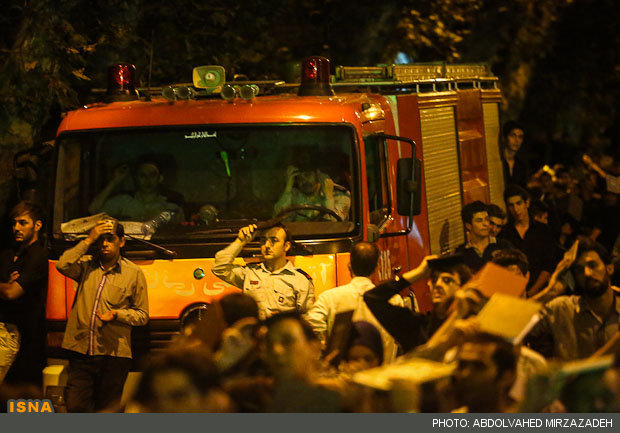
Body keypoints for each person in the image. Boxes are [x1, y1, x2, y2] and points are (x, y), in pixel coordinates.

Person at [56, 219, 149, 412]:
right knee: (75, 406)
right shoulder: (86, 267)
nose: (104, 244)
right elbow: (62, 265)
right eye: (101, 239)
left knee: (108, 411)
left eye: (110, 239)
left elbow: (142, 315)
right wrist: (88, 239)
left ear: (121, 242)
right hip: (81, 352)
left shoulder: (134, 273)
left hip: (113, 355)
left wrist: (117, 315)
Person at [305, 241, 401, 363]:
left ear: (349, 266)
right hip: (382, 376)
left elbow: (310, 329)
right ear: (377, 267)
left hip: (342, 377)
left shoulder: (328, 298)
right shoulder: (393, 299)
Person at [527, 237, 620, 361]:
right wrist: (550, 291)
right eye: (579, 270)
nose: (587, 273)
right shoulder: (561, 309)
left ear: (609, 268)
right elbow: (507, 326)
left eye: (592, 265)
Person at [363, 256, 472, 354]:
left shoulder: (470, 327)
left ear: (462, 288)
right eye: (434, 280)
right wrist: (419, 273)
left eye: (447, 280)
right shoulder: (417, 327)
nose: (438, 284)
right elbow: (372, 298)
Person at [212, 223, 314, 319]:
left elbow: (308, 317)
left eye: (274, 240)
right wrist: (240, 241)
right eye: (263, 240)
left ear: (286, 246)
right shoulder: (250, 273)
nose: (267, 245)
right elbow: (219, 268)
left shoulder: (300, 280)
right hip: (254, 334)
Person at [0, 201, 48, 385]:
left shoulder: (37, 256)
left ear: (37, 225)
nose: (16, 228)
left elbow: (12, 292)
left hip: (23, 337)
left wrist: (7, 287)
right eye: (14, 223)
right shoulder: (7, 254)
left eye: (23, 223)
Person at [499, 184, 558, 296]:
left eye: (518, 203)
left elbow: (548, 264)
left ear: (527, 203)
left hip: (540, 290)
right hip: (514, 292)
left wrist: (533, 291)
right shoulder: (504, 233)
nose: (515, 209)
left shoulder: (543, 230)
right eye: (511, 205)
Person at [88, 159, 184, 223]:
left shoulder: (170, 206)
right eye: (142, 175)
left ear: (160, 178)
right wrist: (115, 181)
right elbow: (93, 210)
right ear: (136, 178)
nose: (147, 180)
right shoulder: (123, 202)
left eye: (152, 175)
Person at [273, 164, 350, 221]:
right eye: (299, 178)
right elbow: (277, 219)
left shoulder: (341, 195)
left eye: (307, 175)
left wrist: (328, 197)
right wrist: (288, 188)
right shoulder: (293, 195)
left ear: (319, 175)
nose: (304, 181)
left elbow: (334, 225)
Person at [456, 201, 512, 272]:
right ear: (468, 226)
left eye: (487, 219)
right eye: (479, 221)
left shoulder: (504, 246)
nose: (485, 224)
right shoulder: (461, 254)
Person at [500, 120, 530, 188]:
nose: (517, 140)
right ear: (504, 138)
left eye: (520, 137)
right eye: (512, 136)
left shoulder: (521, 165)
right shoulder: (498, 162)